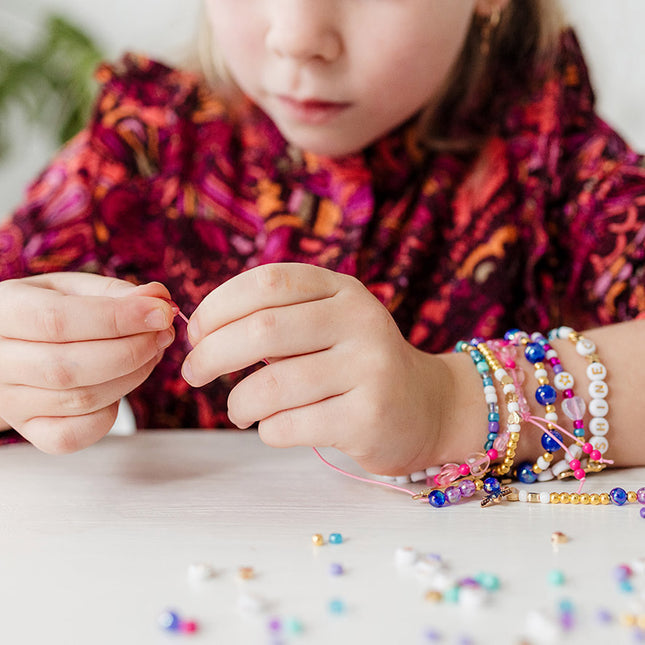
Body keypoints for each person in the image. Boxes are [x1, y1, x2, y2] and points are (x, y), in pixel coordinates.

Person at [0, 0, 644, 485]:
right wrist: (23, 372)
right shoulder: (141, 152)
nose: (298, 36)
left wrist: (449, 403)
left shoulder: (555, 158)